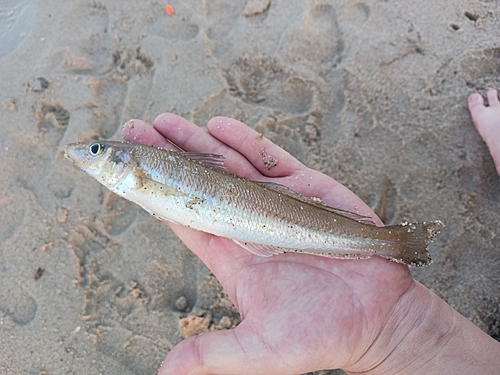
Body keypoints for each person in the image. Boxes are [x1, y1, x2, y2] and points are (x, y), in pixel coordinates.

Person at [122, 90, 500, 375]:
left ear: (126, 165)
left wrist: (392, 331)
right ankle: (391, 240)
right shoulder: (139, 173)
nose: (86, 154)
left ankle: (392, 240)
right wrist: (393, 333)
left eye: (95, 151)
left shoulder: (140, 168)